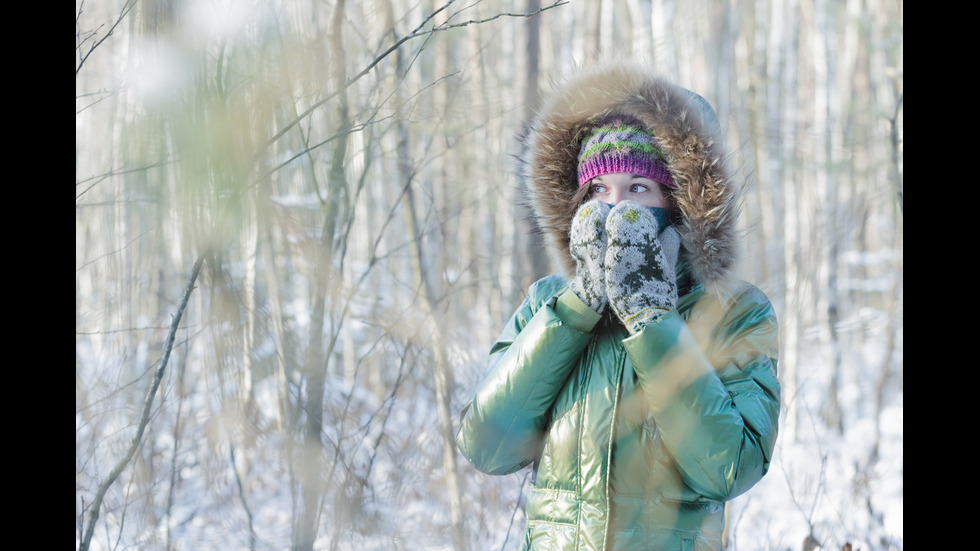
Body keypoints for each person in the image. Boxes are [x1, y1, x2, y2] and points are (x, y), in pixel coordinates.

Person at [454, 60, 781, 550]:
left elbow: (729, 467)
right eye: (599, 190)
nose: (614, 208)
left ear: (678, 202)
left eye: (638, 189)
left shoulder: (733, 312)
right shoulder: (549, 303)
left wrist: (652, 319)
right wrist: (576, 309)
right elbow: (487, 446)